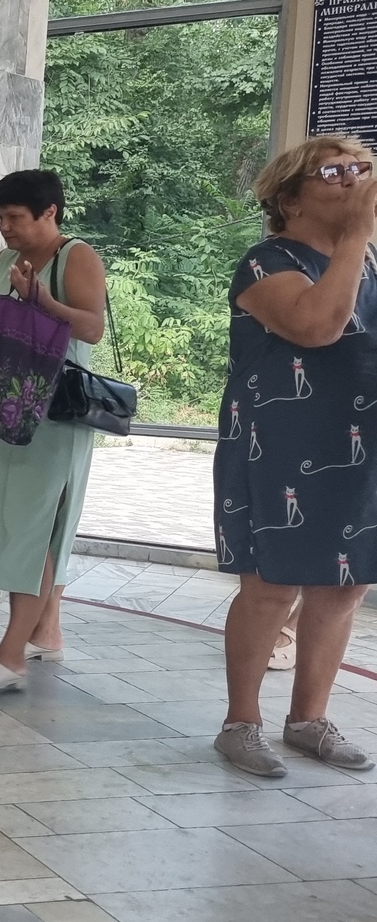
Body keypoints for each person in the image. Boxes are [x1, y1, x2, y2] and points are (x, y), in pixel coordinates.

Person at [212, 136, 377, 777]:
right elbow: (316, 326)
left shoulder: (367, 261)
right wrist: (357, 236)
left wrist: (358, 244)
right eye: (334, 171)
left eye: (361, 168)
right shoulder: (266, 262)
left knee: (345, 584)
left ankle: (309, 719)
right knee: (271, 584)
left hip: (356, 444)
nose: (354, 179)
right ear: (290, 199)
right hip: (279, 445)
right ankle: (241, 723)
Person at [0, 170, 107, 690]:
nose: (4, 227)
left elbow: (92, 327)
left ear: (49, 212)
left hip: (53, 415)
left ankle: (11, 656)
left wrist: (41, 301)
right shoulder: (6, 259)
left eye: (14, 217)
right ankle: (44, 634)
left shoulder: (77, 256)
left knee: (34, 529)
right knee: (19, 523)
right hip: (5, 407)